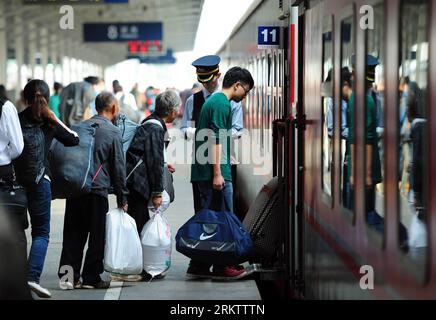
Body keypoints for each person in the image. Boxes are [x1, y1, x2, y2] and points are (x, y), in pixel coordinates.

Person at [13, 80, 79, 298]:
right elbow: (73, 139)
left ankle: (14, 280)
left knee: (15, 234)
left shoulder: (15, 118)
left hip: (16, 185)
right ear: (49, 99)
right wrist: (54, 117)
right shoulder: (49, 122)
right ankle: (32, 277)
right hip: (42, 183)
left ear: (24, 97)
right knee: (41, 233)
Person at [188, 66, 254, 280]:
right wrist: (218, 173)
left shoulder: (215, 102)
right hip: (213, 171)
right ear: (237, 85)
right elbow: (215, 139)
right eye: (246, 91)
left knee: (210, 218)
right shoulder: (221, 104)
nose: (245, 96)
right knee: (223, 219)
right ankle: (222, 266)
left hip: (206, 170)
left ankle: (199, 264)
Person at [58, 92, 129, 290]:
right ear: (113, 108)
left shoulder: (79, 127)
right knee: (96, 237)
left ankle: (67, 278)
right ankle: (90, 278)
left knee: (72, 235)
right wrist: (122, 197)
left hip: (76, 188)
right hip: (97, 191)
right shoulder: (113, 132)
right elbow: (118, 167)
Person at [123, 90, 180, 281]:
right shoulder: (156, 128)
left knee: (139, 223)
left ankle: (143, 267)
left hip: (134, 182)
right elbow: (154, 160)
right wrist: (157, 192)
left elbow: (150, 156)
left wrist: (164, 166)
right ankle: (141, 269)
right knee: (139, 225)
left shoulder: (151, 122)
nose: (178, 111)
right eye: (177, 108)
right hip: (138, 185)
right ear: (171, 110)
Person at [181, 55, 244, 214]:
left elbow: (238, 130)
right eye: (203, 81)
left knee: (224, 212)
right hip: (201, 164)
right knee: (202, 212)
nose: (207, 84)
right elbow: (184, 129)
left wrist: (215, 134)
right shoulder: (192, 101)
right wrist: (202, 132)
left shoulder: (231, 101)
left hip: (224, 162)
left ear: (218, 75)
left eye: (210, 80)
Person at [0, 95, 27, 280]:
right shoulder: (5, 106)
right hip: (2, 171)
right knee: (13, 228)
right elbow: (18, 146)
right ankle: (15, 277)